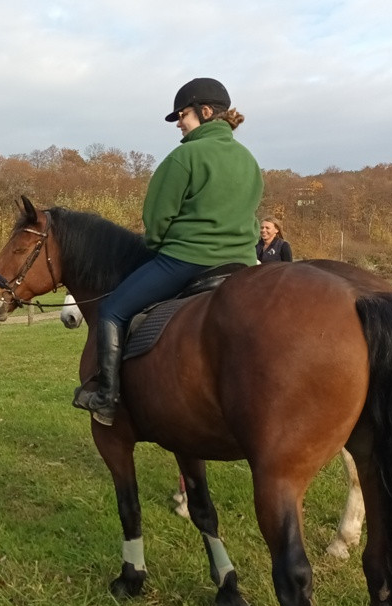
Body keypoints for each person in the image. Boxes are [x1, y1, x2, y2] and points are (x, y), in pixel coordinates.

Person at [72, 77, 263, 425]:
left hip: (188, 260)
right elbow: (252, 217)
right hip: (243, 264)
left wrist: (158, 247)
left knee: (113, 309)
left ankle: (107, 397)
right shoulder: (249, 160)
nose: (179, 122)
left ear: (205, 112)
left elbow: (156, 221)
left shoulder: (184, 156)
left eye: (183, 114)